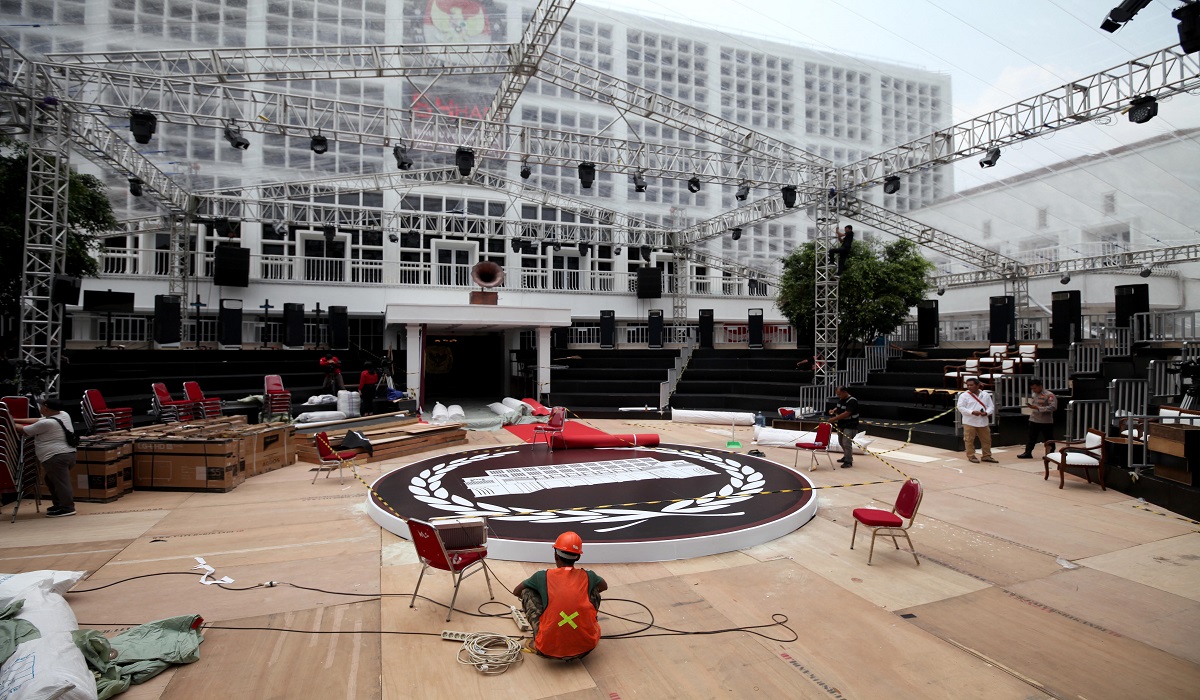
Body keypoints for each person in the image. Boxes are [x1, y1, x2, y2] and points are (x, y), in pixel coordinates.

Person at [512, 532, 607, 661]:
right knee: (593, 590)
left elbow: (517, 591)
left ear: (556, 555)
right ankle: (585, 625)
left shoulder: (542, 576)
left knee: (527, 592)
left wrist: (545, 595)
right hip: (587, 647)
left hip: (546, 649)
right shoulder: (589, 575)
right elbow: (603, 586)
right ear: (578, 557)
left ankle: (539, 638)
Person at [13, 398, 77, 517]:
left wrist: (7, 421)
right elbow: (37, 420)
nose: (40, 407)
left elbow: (24, 430)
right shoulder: (63, 414)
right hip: (68, 454)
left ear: (45, 408)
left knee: (61, 483)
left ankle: (68, 507)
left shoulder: (47, 423)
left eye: (41, 406)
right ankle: (59, 504)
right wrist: (13, 419)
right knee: (50, 479)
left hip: (55, 457)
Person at [957, 377, 997, 464]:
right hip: (969, 421)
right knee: (969, 439)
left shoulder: (985, 395)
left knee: (986, 439)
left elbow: (991, 406)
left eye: (971, 385)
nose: (969, 387)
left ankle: (987, 456)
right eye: (968, 385)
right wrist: (971, 412)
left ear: (978, 385)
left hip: (983, 421)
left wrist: (986, 413)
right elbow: (960, 407)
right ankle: (971, 456)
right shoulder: (964, 395)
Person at [1017, 380, 1057, 459]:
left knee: (1048, 438)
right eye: (1032, 389)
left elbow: (1053, 407)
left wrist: (1039, 408)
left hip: (1045, 421)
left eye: (1035, 388)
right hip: (1034, 419)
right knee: (1031, 437)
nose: (1034, 390)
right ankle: (1028, 452)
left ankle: (1050, 454)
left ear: (1040, 386)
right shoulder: (1034, 394)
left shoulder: (1049, 395)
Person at [827, 386, 860, 467]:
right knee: (841, 441)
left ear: (845, 392)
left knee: (846, 443)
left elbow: (847, 413)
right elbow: (838, 407)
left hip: (850, 425)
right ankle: (846, 456)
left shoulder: (852, 401)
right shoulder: (841, 399)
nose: (839, 396)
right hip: (842, 424)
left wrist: (834, 419)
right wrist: (833, 411)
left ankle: (848, 461)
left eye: (840, 394)